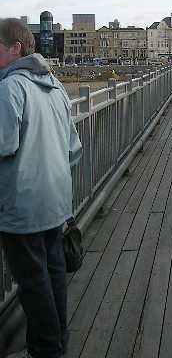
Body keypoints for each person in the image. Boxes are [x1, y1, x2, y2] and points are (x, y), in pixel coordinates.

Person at [0, 18, 82, 358]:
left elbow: (3, 144)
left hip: (22, 205)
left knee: (32, 282)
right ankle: (51, 344)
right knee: (53, 275)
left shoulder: (10, 88)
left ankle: (47, 351)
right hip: (55, 201)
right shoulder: (56, 86)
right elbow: (73, 149)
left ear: (15, 48)